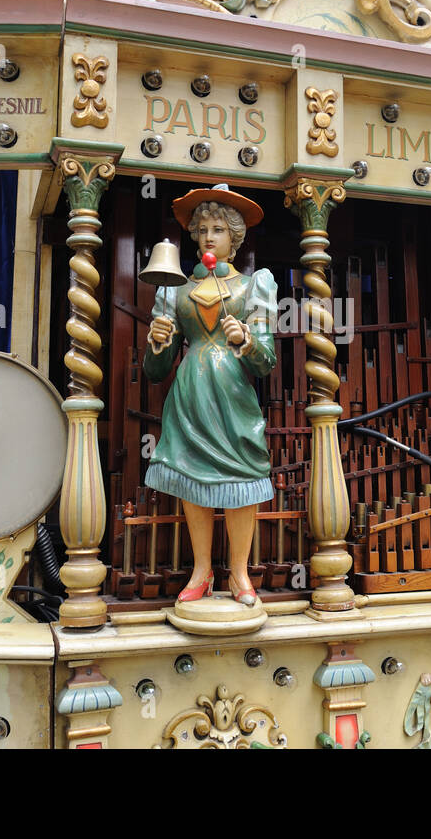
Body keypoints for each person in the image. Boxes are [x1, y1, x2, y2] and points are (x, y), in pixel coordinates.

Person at [143, 184, 277, 605]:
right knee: (192, 482)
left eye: (218, 229)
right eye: (201, 229)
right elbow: (154, 372)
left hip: (233, 398)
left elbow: (267, 361)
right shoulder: (174, 290)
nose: (207, 236)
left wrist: (247, 340)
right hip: (189, 396)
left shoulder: (255, 285)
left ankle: (239, 573)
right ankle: (201, 571)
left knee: (242, 479)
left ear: (234, 238)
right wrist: (159, 343)